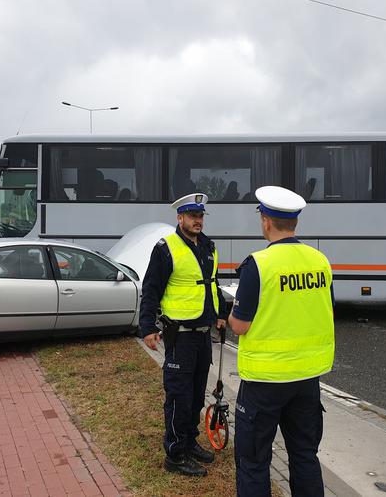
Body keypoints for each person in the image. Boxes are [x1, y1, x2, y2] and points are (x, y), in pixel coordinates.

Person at [228, 186, 335, 497]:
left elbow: (241, 325)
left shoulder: (258, 265)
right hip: (307, 379)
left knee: (254, 460)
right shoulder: (319, 260)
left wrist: (230, 313)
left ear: (265, 222)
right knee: (304, 455)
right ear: (295, 223)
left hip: (265, 380)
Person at [140, 192, 227, 477]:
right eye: (192, 216)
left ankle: (190, 442)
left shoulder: (209, 247)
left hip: (203, 334)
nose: (197, 221)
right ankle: (175, 454)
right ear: (180, 218)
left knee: (196, 395)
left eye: (200, 216)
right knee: (178, 395)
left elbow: (212, 284)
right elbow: (151, 288)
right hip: (180, 335)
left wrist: (222, 313)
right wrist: (148, 327)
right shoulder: (166, 248)